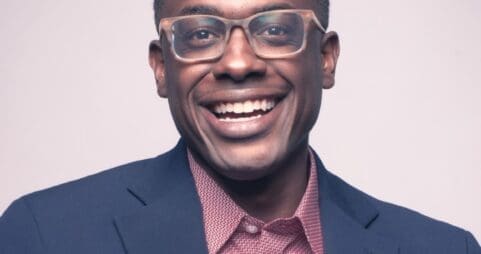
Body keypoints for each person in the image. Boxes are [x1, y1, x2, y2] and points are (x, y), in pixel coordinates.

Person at [0, 0, 479, 253]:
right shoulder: (43, 237)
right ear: (162, 68)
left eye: (275, 29)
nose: (237, 62)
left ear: (326, 58)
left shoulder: (444, 250)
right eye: (201, 34)